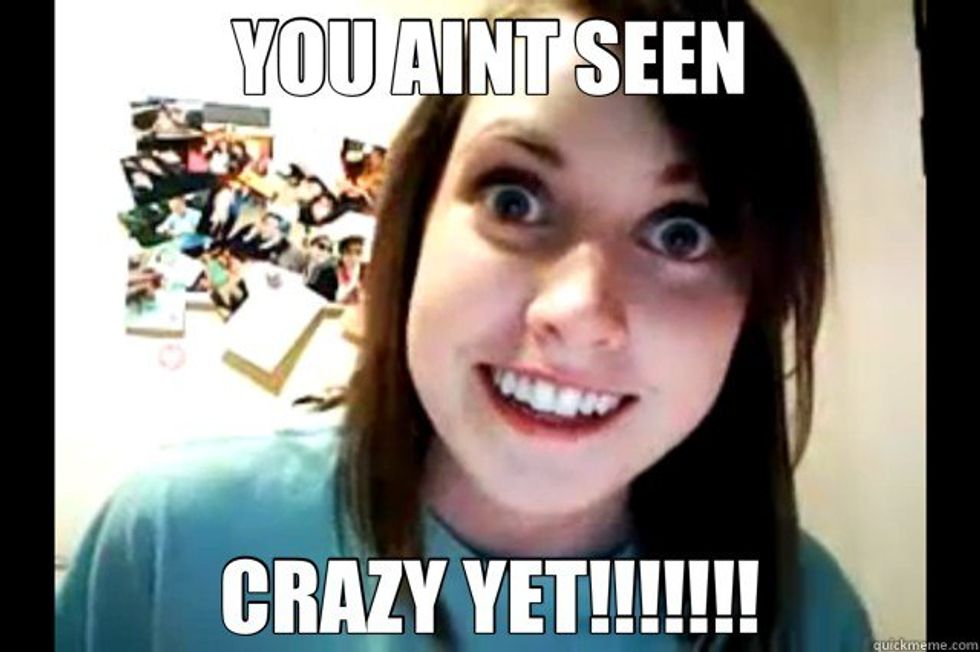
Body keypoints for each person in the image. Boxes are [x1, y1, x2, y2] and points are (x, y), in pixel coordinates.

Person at [56, 1, 873, 649]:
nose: (575, 313)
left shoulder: (807, 620)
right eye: (515, 200)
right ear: (414, 229)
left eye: (683, 232)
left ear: (755, 307)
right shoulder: (175, 539)